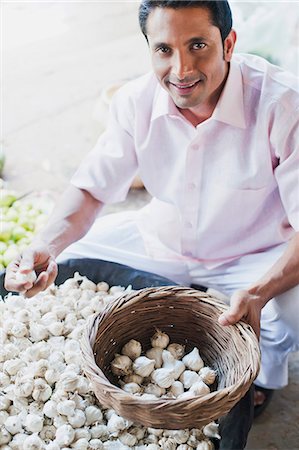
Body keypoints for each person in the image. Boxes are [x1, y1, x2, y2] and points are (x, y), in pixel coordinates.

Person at [5, 0, 299, 417]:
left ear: (229, 44)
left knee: (291, 311)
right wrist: (45, 246)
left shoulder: (282, 103)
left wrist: (259, 291)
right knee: (67, 261)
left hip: (254, 255)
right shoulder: (134, 102)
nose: (181, 69)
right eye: (164, 49)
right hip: (163, 239)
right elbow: (91, 190)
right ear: (149, 49)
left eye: (198, 45)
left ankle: (262, 377)